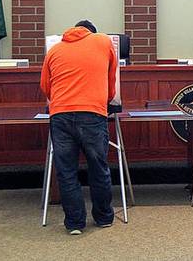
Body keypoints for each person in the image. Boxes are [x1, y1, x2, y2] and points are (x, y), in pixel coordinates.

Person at [40, 19, 118, 235]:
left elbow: (46, 86)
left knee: (66, 171)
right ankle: (103, 218)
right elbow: (111, 80)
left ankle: (75, 223)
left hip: (61, 115)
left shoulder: (55, 50)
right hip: (92, 112)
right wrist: (105, 98)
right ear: (92, 32)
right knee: (98, 167)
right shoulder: (103, 42)